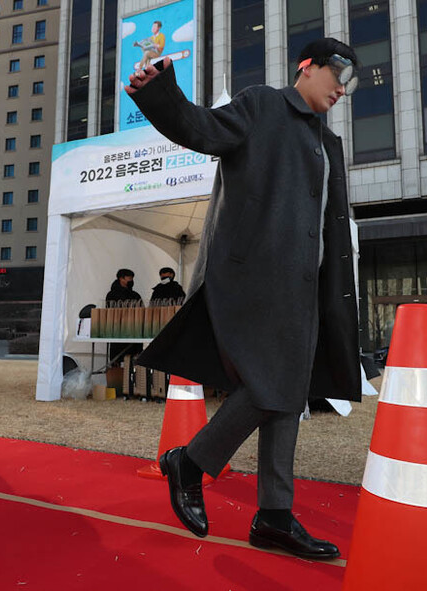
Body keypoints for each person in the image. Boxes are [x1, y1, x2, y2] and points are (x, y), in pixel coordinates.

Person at [125, 37, 362, 560]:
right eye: (338, 74)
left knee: (289, 391)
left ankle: (274, 516)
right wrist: (162, 92)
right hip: (255, 278)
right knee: (270, 384)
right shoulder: (262, 104)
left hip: (306, 287)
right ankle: (190, 461)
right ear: (307, 67)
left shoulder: (328, 142)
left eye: (351, 82)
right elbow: (201, 129)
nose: (343, 89)